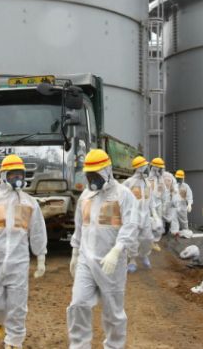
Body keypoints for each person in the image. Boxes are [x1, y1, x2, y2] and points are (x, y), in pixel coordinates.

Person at [0, 154, 47, 349]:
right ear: (4, 176)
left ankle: (14, 342)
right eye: (13, 174)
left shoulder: (29, 203)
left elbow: (38, 231)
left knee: (17, 307)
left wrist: (41, 258)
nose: (18, 178)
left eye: (20, 174)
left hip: (19, 263)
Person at [67, 149, 138, 349]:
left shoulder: (123, 195)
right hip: (86, 260)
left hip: (111, 263)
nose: (92, 179)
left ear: (107, 171)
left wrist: (117, 250)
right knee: (78, 304)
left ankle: (114, 346)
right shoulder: (85, 196)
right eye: (89, 175)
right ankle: (79, 345)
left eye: (95, 174)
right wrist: (75, 253)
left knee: (113, 311)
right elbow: (79, 226)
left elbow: (131, 225)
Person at [122, 156, 156, 272]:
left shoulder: (148, 183)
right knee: (133, 239)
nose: (147, 169)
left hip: (145, 215)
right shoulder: (128, 183)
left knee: (147, 238)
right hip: (133, 216)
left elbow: (151, 200)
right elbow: (121, 198)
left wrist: (155, 215)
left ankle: (144, 255)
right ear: (139, 168)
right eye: (145, 166)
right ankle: (132, 260)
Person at [170, 170, 193, 235]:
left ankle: (185, 231)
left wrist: (189, 204)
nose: (179, 179)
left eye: (180, 178)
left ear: (183, 178)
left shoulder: (186, 186)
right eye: (178, 178)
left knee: (184, 221)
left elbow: (189, 196)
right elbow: (170, 196)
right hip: (174, 207)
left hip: (182, 206)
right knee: (174, 220)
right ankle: (174, 232)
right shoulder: (173, 186)